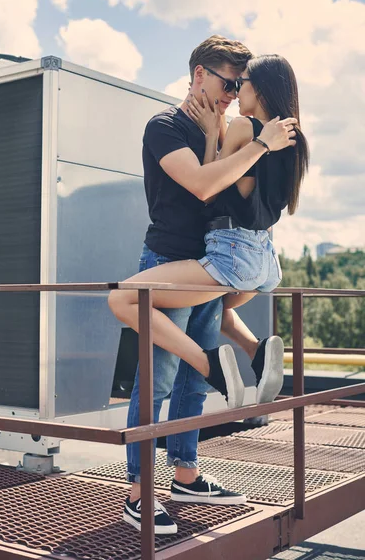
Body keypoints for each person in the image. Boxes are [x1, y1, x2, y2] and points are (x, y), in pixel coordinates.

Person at [109, 37, 299, 535]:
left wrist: (225, 134)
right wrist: (254, 142)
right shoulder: (166, 127)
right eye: (226, 83)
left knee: (192, 387)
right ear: (198, 74)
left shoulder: (221, 127)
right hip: (170, 258)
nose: (233, 94)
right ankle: (138, 491)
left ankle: (186, 473)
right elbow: (201, 184)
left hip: (210, 263)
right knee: (158, 380)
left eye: (240, 86)